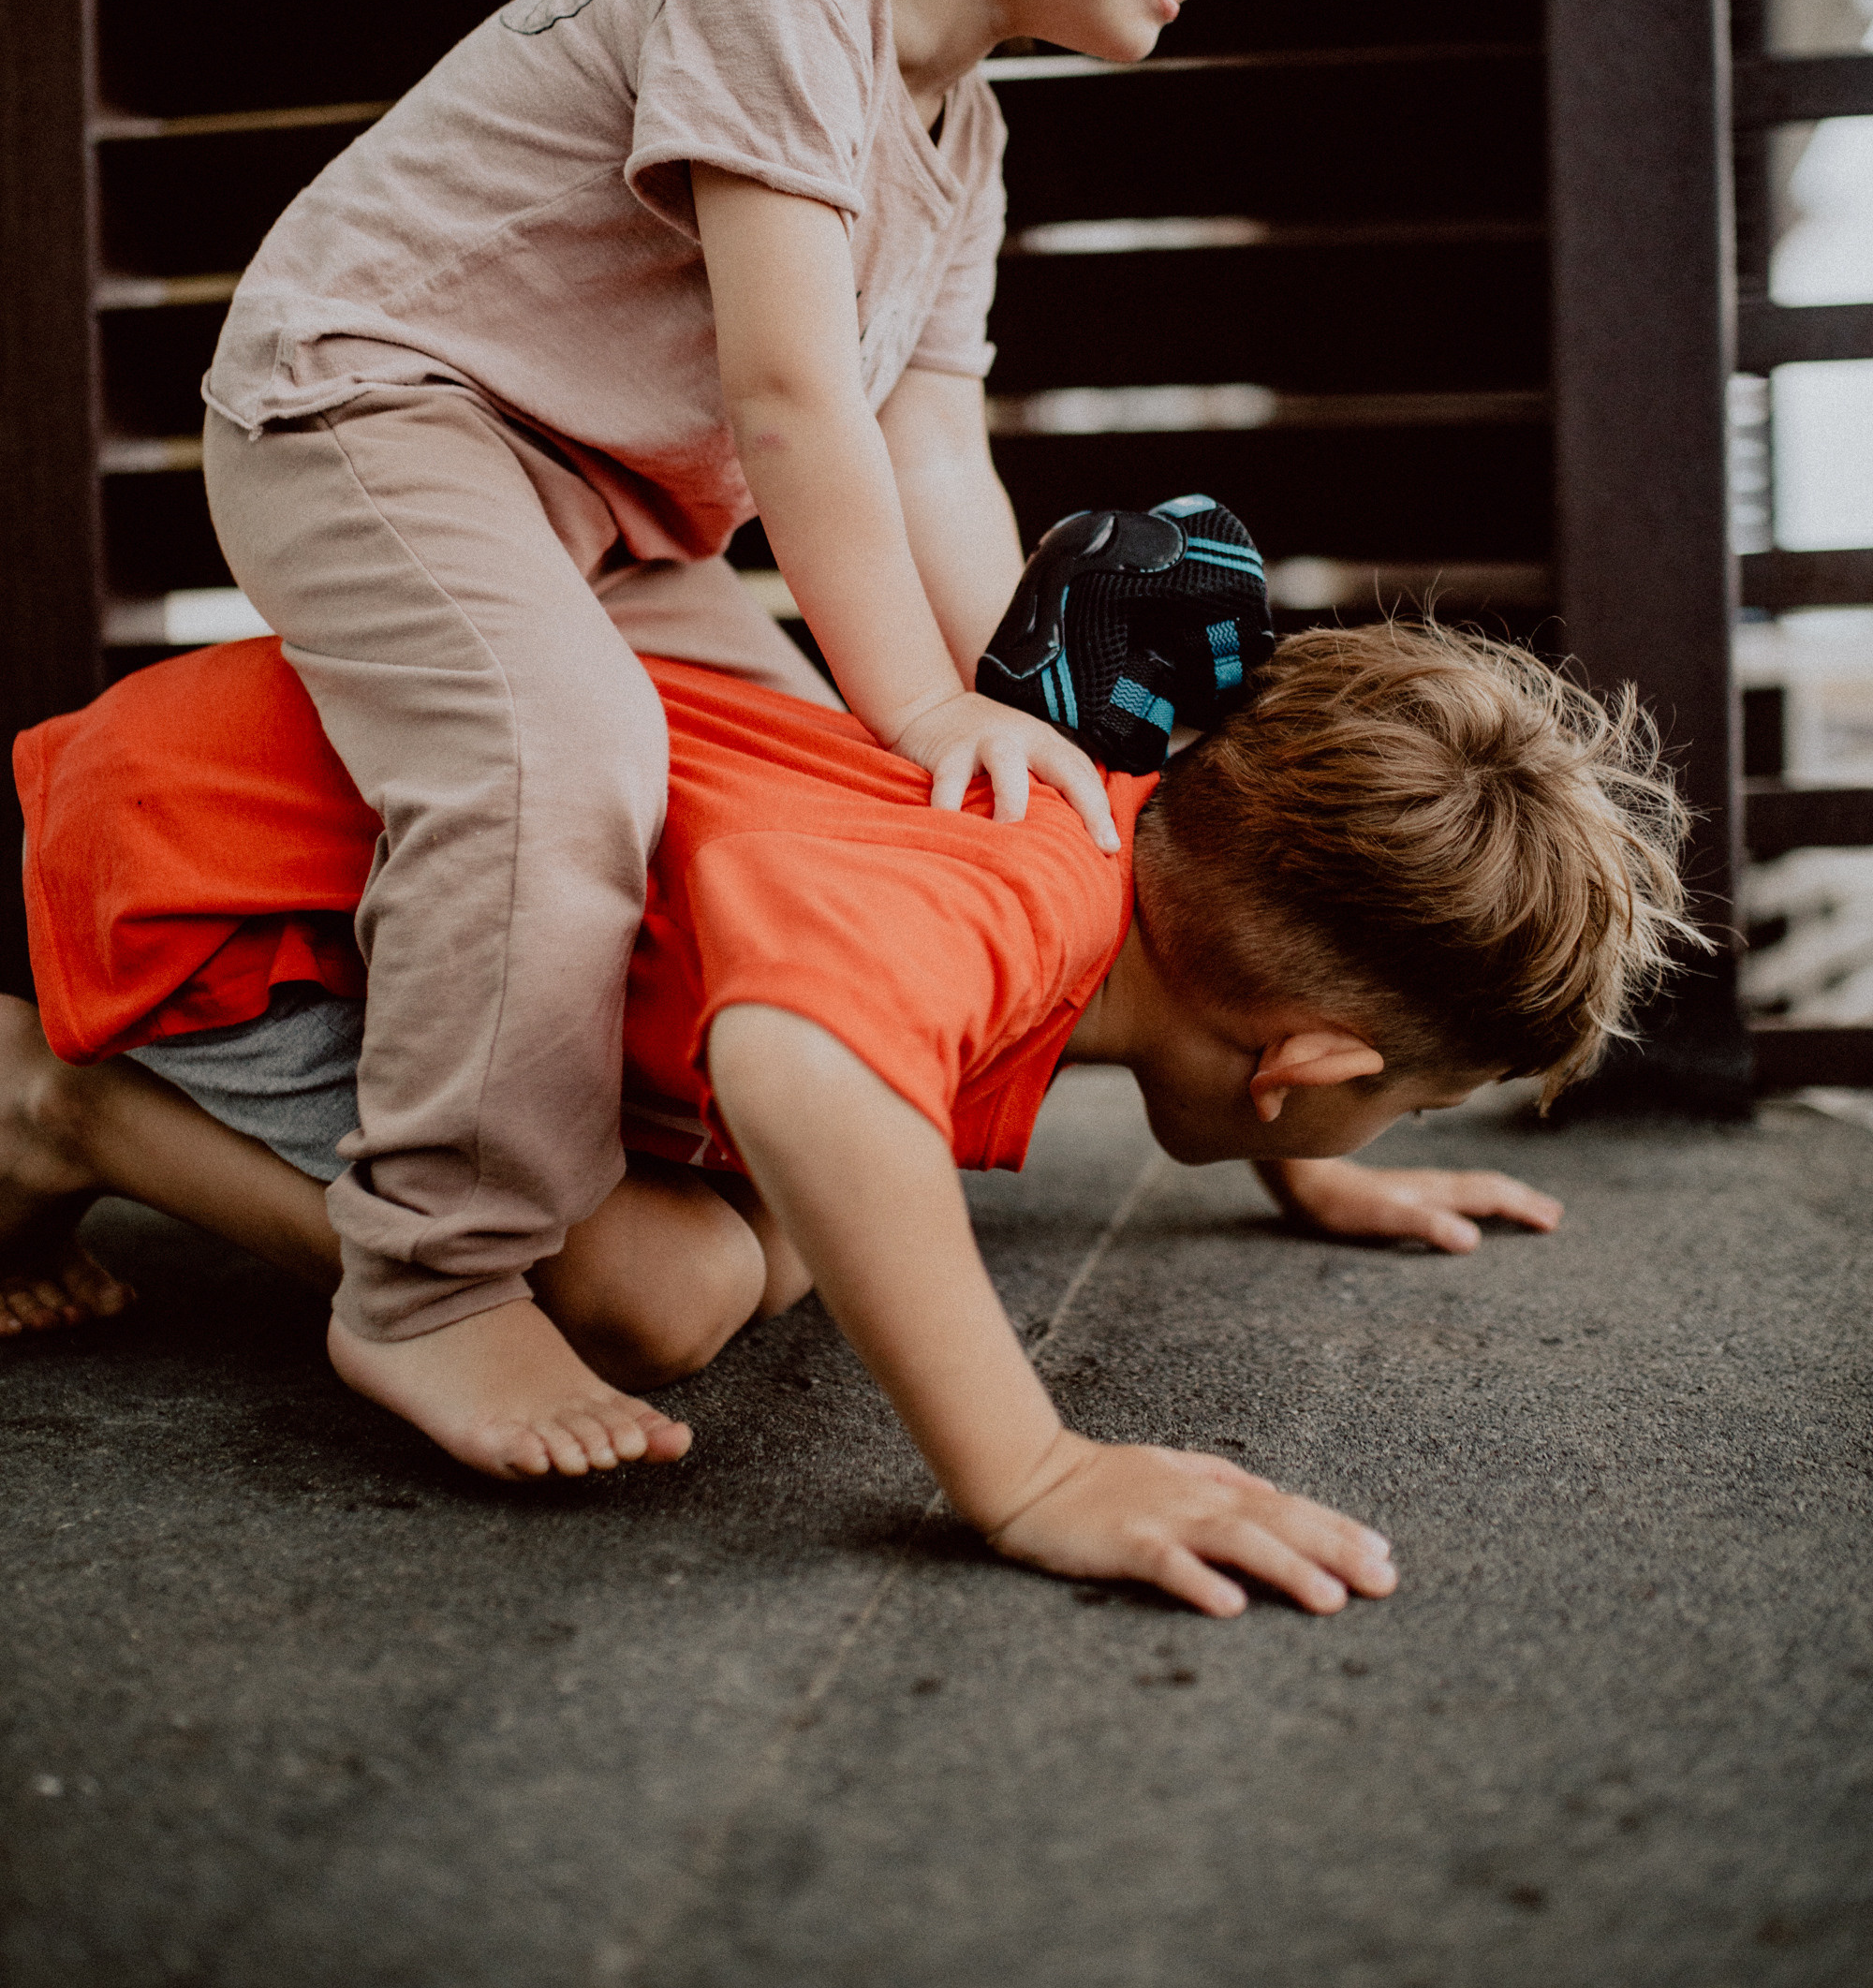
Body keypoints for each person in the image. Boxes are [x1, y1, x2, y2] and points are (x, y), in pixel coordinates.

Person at [189, 0, 1338, 1461]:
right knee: (563, 761)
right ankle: (437, 1276)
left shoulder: (962, 131)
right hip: (377, 409)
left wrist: (991, 725)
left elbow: (929, 452)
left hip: (607, 503)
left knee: (803, 786)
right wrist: (909, 690)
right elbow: (797, 400)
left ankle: (659, 1138)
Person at [2, 616, 1691, 1617]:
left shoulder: (1126, 838)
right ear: (1301, 1064)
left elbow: (1269, 986)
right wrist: (1028, 1472)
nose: (1378, 1131)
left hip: (300, 808)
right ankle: (65, 1112)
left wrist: (1306, 1169)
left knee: (789, 1240)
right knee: (653, 1297)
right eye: (1398, 1104)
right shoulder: (1018, 909)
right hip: (225, 888)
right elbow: (802, 1066)